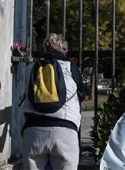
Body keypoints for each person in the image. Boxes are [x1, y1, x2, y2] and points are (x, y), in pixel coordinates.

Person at [22, 33, 86, 169]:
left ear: (45, 50)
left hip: (33, 131)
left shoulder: (31, 69)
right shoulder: (72, 69)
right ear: (65, 51)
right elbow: (82, 95)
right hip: (65, 131)